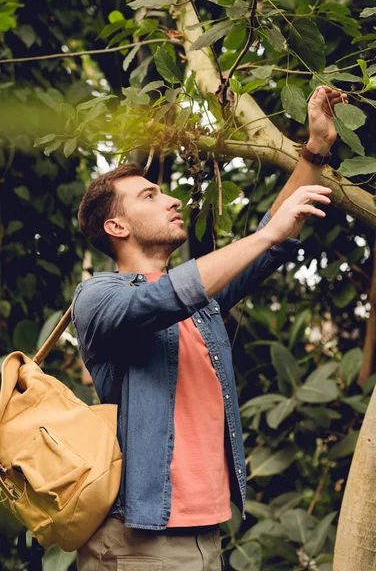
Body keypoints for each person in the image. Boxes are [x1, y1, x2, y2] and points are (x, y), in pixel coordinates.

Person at [72, 85, 346, 570]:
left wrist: (316, 148)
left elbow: (275, 235)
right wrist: (265, 233)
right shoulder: (98, 297)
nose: (172, 200)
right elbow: (162, 298)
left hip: (206, 535)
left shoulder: (204, 303)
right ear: (116, 227)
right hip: (138, 540)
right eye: (151, 195)